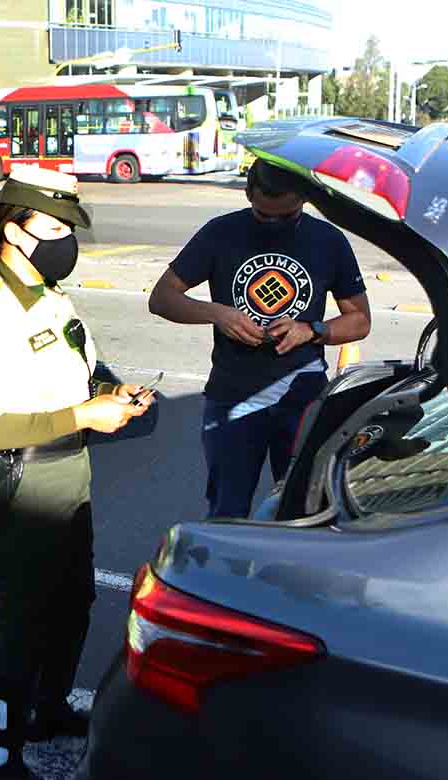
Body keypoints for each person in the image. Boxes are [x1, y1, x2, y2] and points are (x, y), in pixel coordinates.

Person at [0, 165, 155, 780]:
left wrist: (110, 390)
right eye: (55, 227)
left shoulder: (52, 298)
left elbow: (81, 368)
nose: (67, 240)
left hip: (69, 472)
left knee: (72, 605)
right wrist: (84, 415)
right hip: (20, 485)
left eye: (71, 228)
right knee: (23, 623)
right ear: (13, 231)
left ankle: (47, 710)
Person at [148, 158, 372, 519]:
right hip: (233, 396)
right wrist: (217, 313)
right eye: (264, 216)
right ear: (249, 194)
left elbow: (359, 321)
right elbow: (161, 298)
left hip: (302, 398)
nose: (274, 225)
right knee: (228, 512)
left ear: (305, 199)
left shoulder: (328, 240)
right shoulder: (220, 233)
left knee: (302, 510)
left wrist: (312, 330)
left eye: (287, 217)